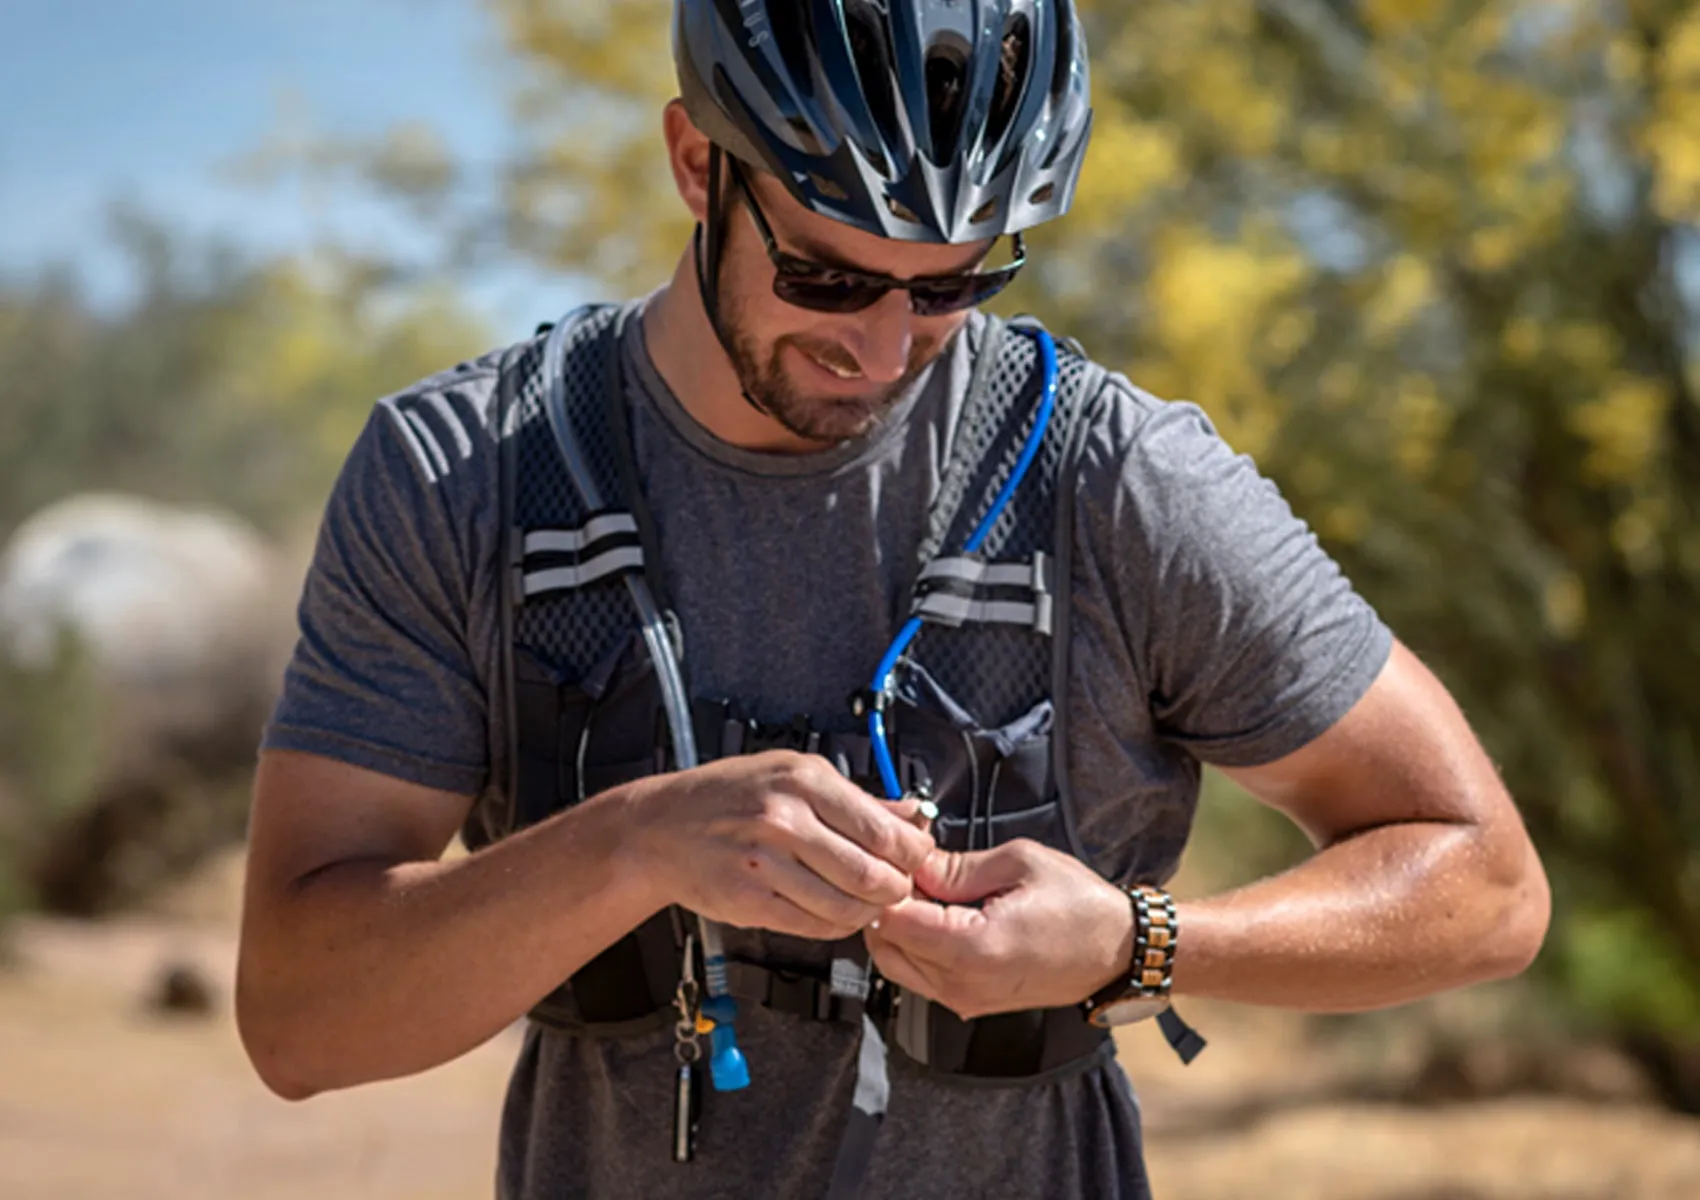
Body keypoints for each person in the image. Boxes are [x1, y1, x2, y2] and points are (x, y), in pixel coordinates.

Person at [235, 2, 1551, 1197]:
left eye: (950, 288)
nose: (879, 350)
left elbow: (1486, 884)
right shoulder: (460, 480)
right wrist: (631, 843)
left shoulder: (1117, 481)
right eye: (824, 275)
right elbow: (299, 1024)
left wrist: (1135, 943)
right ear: (698, 164)